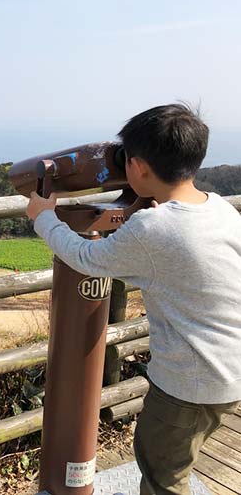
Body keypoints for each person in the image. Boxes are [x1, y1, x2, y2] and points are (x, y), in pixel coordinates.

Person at [25, 103, 241, 495]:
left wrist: (44, 215)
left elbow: (86, 258)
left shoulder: (153, 228)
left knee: (163, 475)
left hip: (187, 387)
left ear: (138, 167)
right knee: (179, 458)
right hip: (230, 373)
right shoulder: (221, 209)